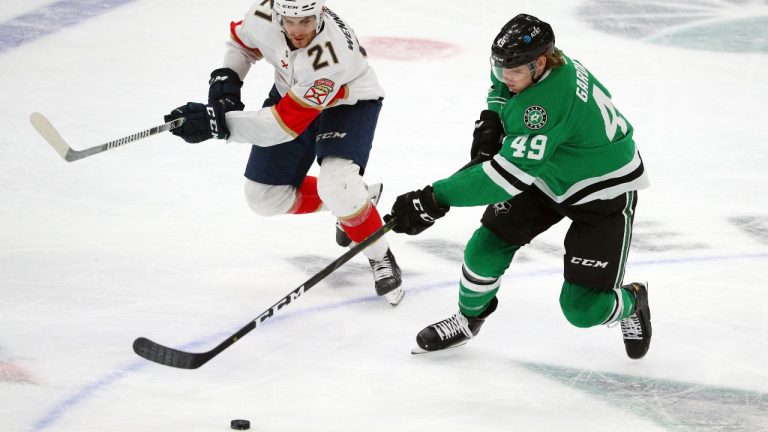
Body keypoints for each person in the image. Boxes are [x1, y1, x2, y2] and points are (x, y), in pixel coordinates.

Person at [386, 14, 651, 358]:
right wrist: (494, 115)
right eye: (501, 69)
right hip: (547, 170)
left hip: (600, 190)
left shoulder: (545, 103)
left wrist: (435, 198)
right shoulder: (535, 63)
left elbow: (503, 179)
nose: (505, 78)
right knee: (484, 250)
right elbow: (502, 84)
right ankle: (469, 319)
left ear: (540, 64)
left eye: (514, 73)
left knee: (582, 310)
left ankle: (632, 301)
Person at [164, 0, 403, 306]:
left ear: (320, 13)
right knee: (264, 198)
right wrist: (227, 84)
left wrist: (219, 124)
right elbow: (242, 43)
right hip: (293, 96)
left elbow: (282, 126)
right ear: (276, 13)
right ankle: (357, 200)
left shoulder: (330, 58)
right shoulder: (262, 13)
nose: (297, 30)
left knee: (337, 183)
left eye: (306, 21)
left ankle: (379, 255)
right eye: (289, 21)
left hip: (347, 104)